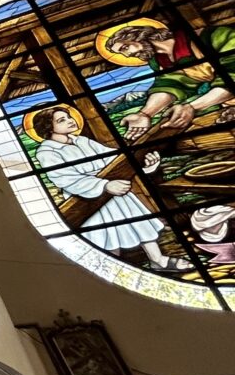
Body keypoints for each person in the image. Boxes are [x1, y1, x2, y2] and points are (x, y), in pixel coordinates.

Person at [28, 104, 190, 270]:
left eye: (69, 117)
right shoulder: (47, 152)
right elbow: (64, 178)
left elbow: (114, 160)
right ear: (48, 128)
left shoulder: (82, 141)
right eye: (62, 120)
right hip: (87, 196)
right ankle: (114, 270)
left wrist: (143, 169)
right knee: (107, 233)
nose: (70, 121)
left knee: (138, 223)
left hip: (117, 189)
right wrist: (104, 185)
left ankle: (158, 260)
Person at [108, 21, 235, 136]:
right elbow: (172, 84)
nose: (128, 55)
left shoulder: (214, 35)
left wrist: (192, 107)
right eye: (122, 53)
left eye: (125, 47)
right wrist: (144, 114)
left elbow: (232, 75)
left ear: (139, 35)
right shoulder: (162, 61)